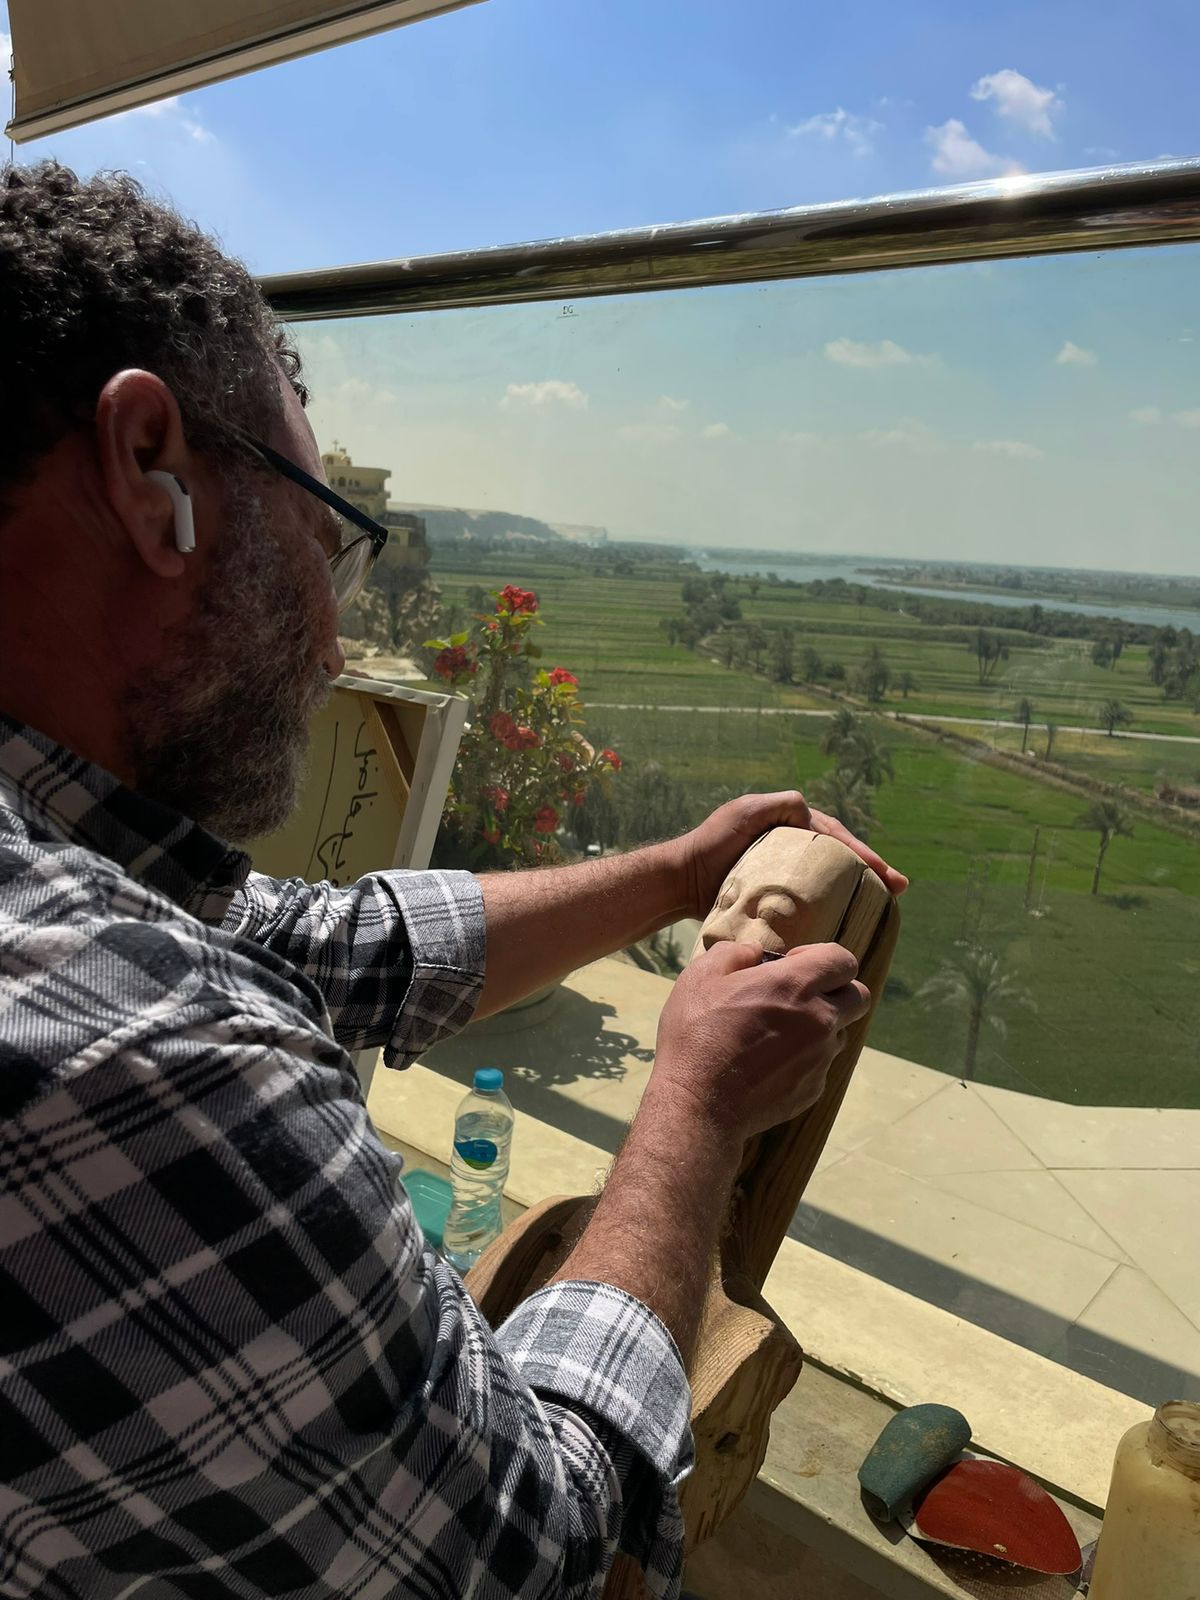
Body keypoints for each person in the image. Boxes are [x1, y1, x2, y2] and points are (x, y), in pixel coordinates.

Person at [0, 162, 907, 1600]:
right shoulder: (132, 1065)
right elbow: (529, 1552)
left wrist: (676, 875)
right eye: (323, 543)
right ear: (150, 471)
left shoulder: (65, 884)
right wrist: (695, 1108)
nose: (329, 639)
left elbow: (303, 946)